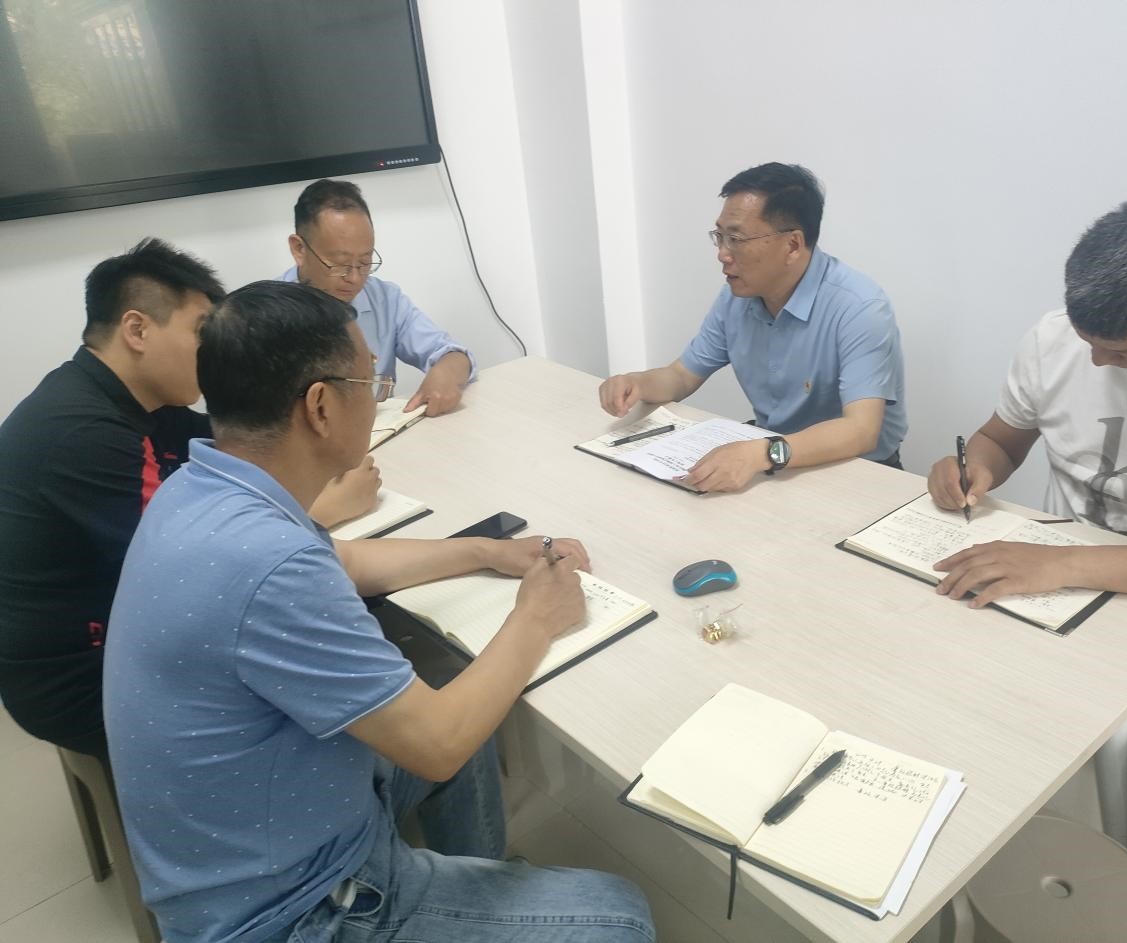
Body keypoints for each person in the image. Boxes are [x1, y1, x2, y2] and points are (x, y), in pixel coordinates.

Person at [102, 280, 654, 943]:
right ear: (320, 407)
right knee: (620, 915)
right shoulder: (271, 565)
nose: (379, 395)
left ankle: (471, 901)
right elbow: (439, 743)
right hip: (290, 912)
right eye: (370, 382)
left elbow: (349, 561)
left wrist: (487, 550)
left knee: (451, 696)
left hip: (251, 842)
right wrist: (538, 615)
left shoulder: (204, 486)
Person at [926, 199, 1127, 943]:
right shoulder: (1055, 338)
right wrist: (973, 467)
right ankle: (953, 876)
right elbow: (1002, 438)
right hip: (1055, 566)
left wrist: (1065, 564)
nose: (1101, 364)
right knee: (943, 679)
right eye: (1090, 343)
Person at [0, 240, 379, 763]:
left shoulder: (138, 401)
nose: (212, 350)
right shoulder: (83, 435)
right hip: (81, 681)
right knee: (331, 672)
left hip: (125, 631)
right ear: (137, 330)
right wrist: (324, 508)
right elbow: (190, 562)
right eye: (202, 331)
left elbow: (248, 443)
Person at [598, 162, 907, 492]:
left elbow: (860, 430)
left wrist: (762, 454)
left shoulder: (859, 307)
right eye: (719, 237)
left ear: (792, 245)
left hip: (856, 473)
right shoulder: (738, 296)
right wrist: (637, 383)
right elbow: (681, 376)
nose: (722, 254)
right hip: (771, 459)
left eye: (736, 239)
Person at [281, 178, 474, 416]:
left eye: (364, 262)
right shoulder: (263, 316)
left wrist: (447, 371)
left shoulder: (385, 300)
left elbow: (450, 353)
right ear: (299, 249)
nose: (354, 278)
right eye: (340, 264)